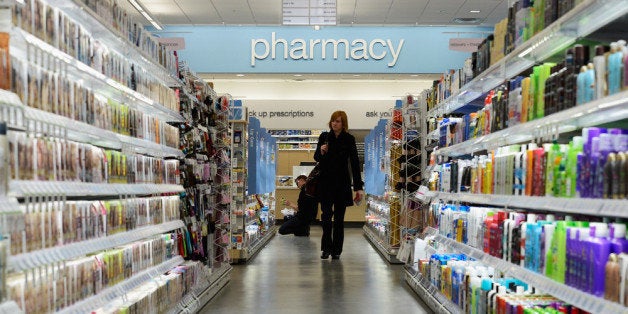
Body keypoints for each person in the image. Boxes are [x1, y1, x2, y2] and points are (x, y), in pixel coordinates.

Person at [314, 111, 364, 260]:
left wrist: (358, 187)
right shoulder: (324, 137)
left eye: (338, 121)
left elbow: (354, 163)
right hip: (326, 183)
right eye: (333, 121)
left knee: (340, 219)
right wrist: (321, 152)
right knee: (326, 217)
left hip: (342, 183)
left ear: (343, 124)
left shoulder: (349, 139)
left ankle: (337, 250)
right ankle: (326, 248)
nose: (334, 124)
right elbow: (316, 157)